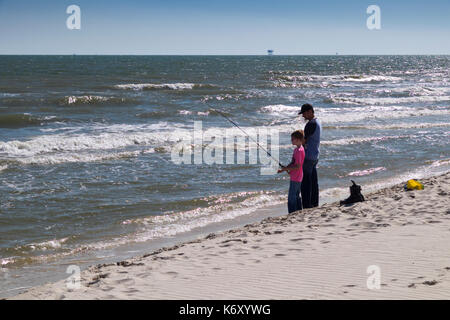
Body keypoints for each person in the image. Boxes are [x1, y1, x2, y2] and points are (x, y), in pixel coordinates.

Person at [298, 103, 321, 208]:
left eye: (304, 113)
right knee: (313, 182)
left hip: (308, 156)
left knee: (306, 183)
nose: (303, 116)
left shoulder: (310, 124)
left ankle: (307, 205)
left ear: (310, 111)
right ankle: (314, 203)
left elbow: (304, 141)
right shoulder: (317, 122)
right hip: (315, 155)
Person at [278, 130, 305, 213]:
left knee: (292, 197)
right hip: (295, 176)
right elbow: (293, 163)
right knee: (296, 195)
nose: (291, 140)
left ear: (298, 139)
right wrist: (284, 169)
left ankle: (292, 212)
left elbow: (298, 166)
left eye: (292, 139)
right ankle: (299, 211)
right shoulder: (296, 150)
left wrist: (286, 169)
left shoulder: (300, 151)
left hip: (297, 177)